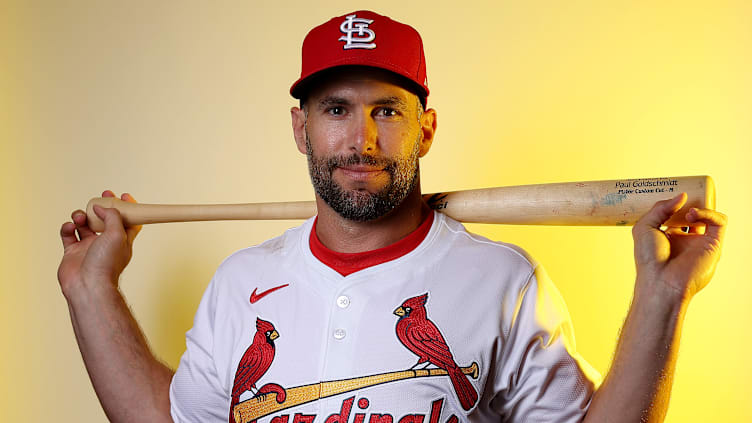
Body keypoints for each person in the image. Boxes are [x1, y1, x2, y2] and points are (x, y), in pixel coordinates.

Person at [57, 10, 727, 423]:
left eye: (387, 110)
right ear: (301, 128)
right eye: (337, 109)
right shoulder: (240, 284)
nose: (362, 141)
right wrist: (90, 288)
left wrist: (660, 299)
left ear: (426, 129)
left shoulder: (501, 280)